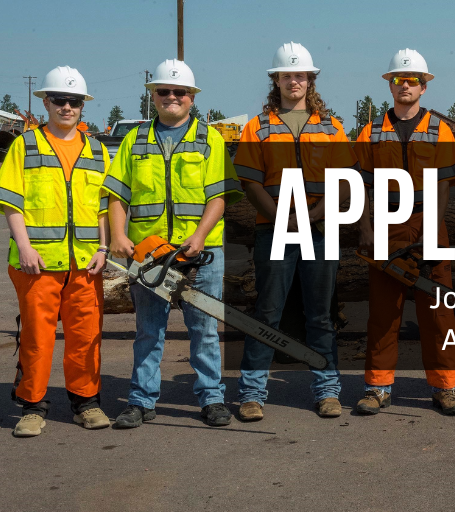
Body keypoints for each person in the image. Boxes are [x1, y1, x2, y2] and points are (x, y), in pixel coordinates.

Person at [103, 59, 244, 428]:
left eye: (179, 91)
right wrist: (118, 236)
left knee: (205, 331)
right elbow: (117, 195)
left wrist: (199, 235)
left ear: (191, 97)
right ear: (153, 95)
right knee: (149, 331)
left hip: (201, 253)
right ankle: (141, 400)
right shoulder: (135, 139)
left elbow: (218, 197)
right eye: (163, 90)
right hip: (149, 255)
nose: (171, 96)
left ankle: (212, 398)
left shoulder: (209, 138)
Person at [233, 42, 357, 421]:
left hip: (319, 230)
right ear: (276, 80)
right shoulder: (258, 127)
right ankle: (252, 394)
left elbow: (344, 181)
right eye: (286, 75)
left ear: (310, 79)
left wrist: (313, 215)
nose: (293, 81)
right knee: (267, 313)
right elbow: (251, 183)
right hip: (275, 231)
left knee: (320, 315)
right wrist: (281, 219)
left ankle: (327, 392)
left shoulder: (331, 127)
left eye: (300, 75)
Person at [353, 49, 455, 415]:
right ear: (390, 85)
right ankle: (378, 387)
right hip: (386, 226)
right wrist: (365, 227)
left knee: (439, 311)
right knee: (384, 313)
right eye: (399, 79)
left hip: (428, 223)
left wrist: (432, 227)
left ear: (423, 87)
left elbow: (445, 184)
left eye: (412, 80)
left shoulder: (439, 129)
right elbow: (359, 185)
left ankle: (446, 388)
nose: (405, 85)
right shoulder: (371, 132)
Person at [0, 66, 111, 437]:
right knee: (37, 338)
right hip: (38, 263)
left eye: (74, 101)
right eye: (60, 100)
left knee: (86, 336)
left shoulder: (96, 149)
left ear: (82, 106)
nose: (67, 107)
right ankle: (33, 407)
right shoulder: (26, 145)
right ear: (45, 102)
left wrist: (104, 247)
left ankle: (86, 404)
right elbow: (11, 201)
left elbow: (104, 206)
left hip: (85, 263)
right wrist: (24, 247)